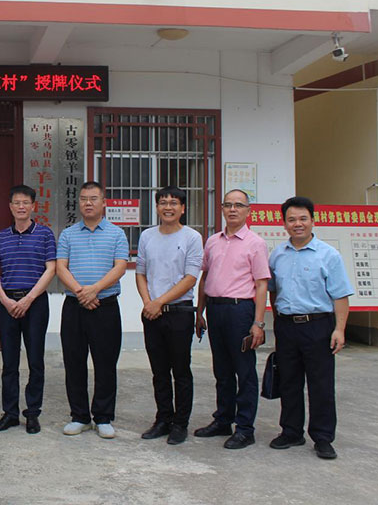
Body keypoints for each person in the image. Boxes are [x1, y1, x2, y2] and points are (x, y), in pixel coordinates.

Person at [268, 196, 353, 460]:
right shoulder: (277, 255)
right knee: (289, 381)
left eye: (303, 218)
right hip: (286, 326)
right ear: (284, 223)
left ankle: (323, 437)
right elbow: (273, 291)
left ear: (313, 221)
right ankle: (291, 431)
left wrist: (339, 329)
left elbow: (340, 295)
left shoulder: (328, 255)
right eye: (292, 219)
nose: (298, 224)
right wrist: (277, 321)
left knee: (321, 384)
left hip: (318, 326)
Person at [194, 189, 269, 449]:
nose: (233, 209)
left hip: (240, 311)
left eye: (239, 205)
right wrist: (199, 312)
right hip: (215, 310)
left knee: (244, 371)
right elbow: (205, 277)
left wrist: (258, 323)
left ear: (248, 210)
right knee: (222, 370)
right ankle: (223, 420)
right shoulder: (213, 241)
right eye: (228, 205)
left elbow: (261, 284)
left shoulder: (255, 243)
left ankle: (245, 428)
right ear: (222, 209)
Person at [56, 181, 128, 439]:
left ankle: (103, 417)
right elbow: (61, 267)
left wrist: (95, 289)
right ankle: (79, 416)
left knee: (105, 363)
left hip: (105, 306)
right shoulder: (68, 234)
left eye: (93, 198)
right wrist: (81, 292)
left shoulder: (117, 234)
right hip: (74, 306)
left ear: (104, 203)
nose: (88, 203)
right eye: (84, 198)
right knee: (74, 362)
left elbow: (120, 267)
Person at [135, 186, 203, 445]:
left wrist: (159, 302)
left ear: (183, 208)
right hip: (152, 314)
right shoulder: (147, 236)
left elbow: (190, 278)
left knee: (181, 370)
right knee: (159, 371)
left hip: (179, 313)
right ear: (157, 207)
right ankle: (163, 419)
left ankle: (180, 423)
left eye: (174, 203)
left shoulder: (192, 237)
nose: (168, 207)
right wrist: (147, 303)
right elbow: (140, 272)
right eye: (163, 202)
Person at [0, 185, 56, 434]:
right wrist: (5, 300)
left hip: (35, 303)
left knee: (36, 360)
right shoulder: (1, 237)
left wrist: (29, 298)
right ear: (10, 207)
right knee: (9, 362)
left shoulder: (45, 234)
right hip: (7, 303)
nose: (21, 206)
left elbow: (51, 269)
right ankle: (10, 413)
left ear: (33, 206)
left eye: (25, 202)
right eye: (16, 202)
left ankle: (33, 413)